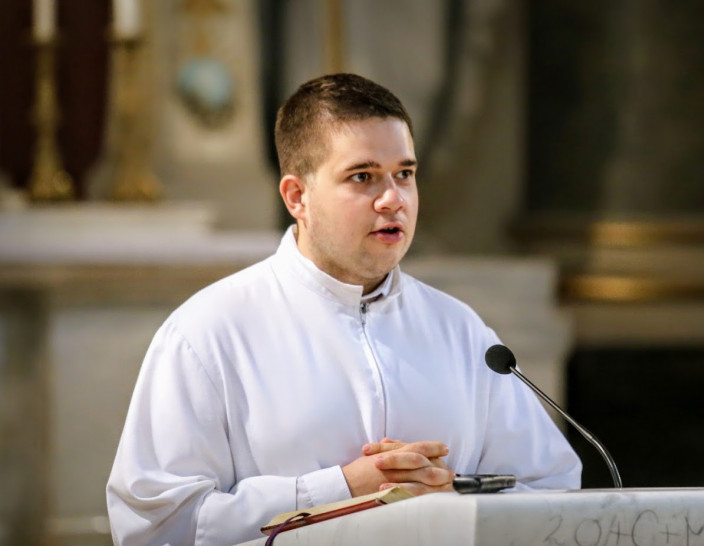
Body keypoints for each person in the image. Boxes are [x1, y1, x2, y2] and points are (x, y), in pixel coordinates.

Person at [106, 73, 581, 545]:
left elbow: (553, 494)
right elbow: (157, 528)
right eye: (363, 177)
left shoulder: (461, 331)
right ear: (298, 197)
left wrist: (452, 494)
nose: (393, 199)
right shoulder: (208, 333)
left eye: (405, 174)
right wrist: (344, 489)